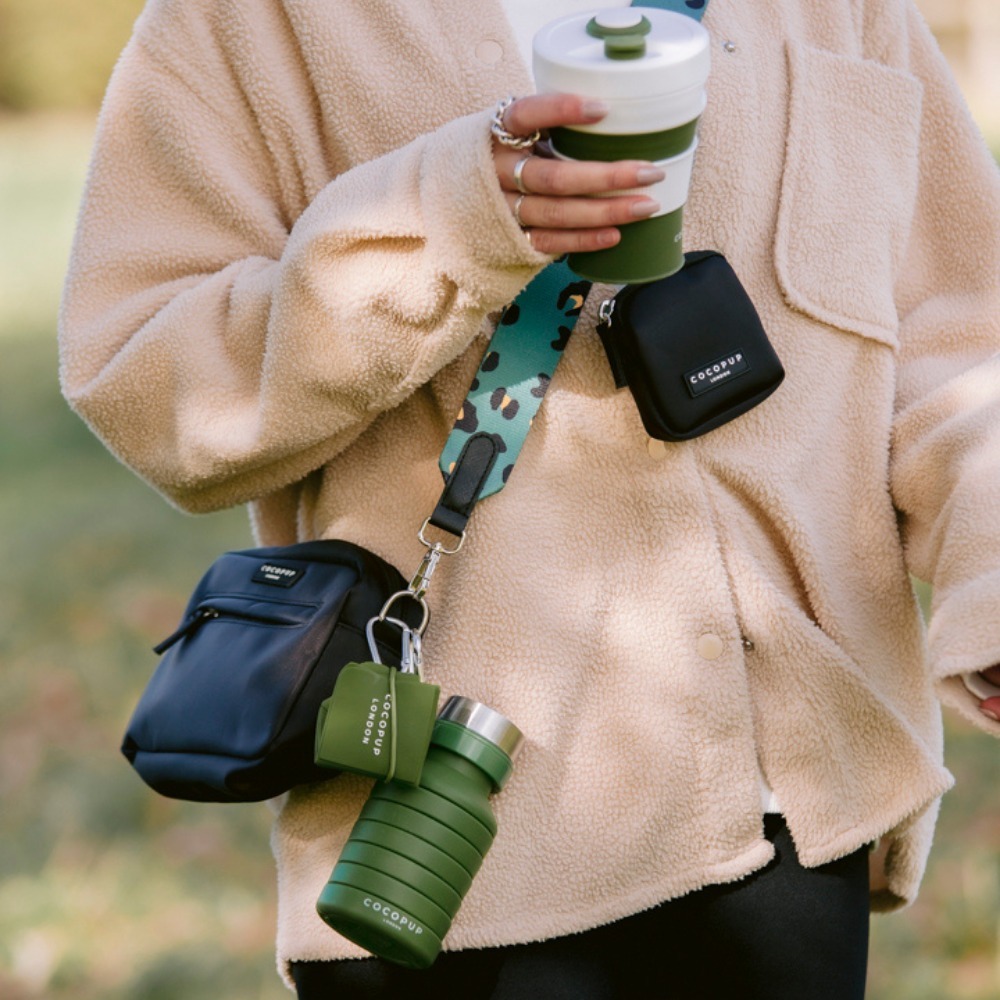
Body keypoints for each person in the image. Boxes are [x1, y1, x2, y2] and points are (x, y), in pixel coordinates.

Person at [59, 0, 1000, 996]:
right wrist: (448, 224)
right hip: (445, 842)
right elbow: (148, 380)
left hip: (788, 823)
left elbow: (959, 340)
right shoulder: (247, 21)